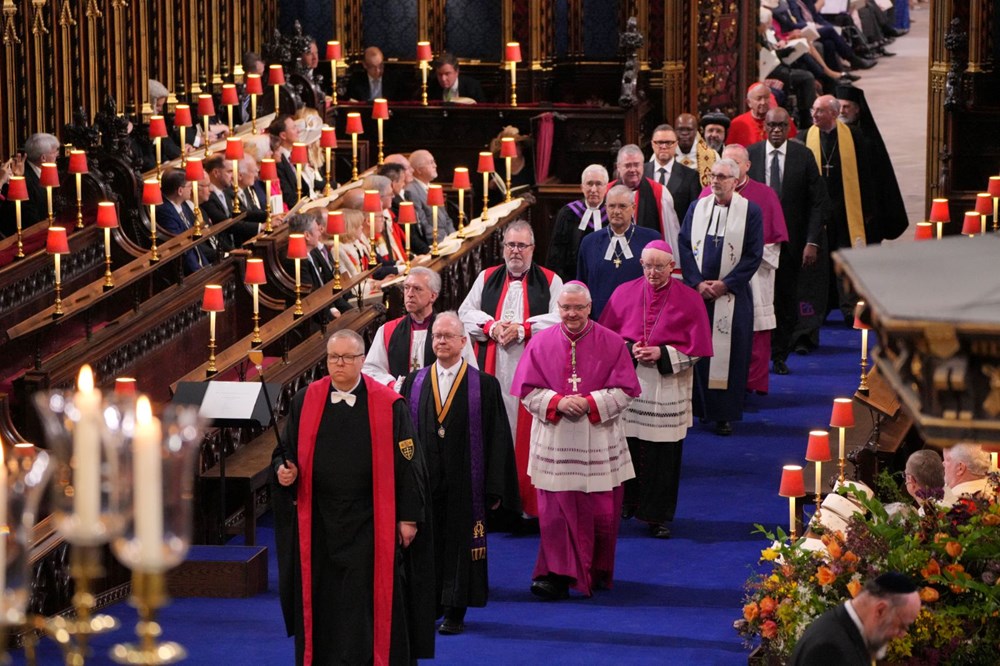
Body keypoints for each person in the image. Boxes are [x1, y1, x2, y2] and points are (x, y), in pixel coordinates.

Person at [272, 329, 436, 665]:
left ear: (362, 361)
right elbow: (283, 450)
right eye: (334, 357)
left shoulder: (389, 404)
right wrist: (283, 471)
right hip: (320, 520)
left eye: (348, 357)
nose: (340, 364)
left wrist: (408, 517)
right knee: (324, 599)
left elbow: (410, 463)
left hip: (371, 520)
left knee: (364, 600)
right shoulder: (306, 398)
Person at [510, 282, 640, 600]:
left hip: (597, 440)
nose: (572, 314)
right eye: (566, 308)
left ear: (590, 307)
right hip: (555, 440)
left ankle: (593, 571)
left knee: (601, 513)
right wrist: (556, 401)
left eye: (578, 308)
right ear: (558, 308)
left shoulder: (612, 343)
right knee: (555, 512)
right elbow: (526, 390)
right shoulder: (539, 344)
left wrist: (591, 402)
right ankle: (556, 574)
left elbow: (626, 390)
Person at [400, 312, 519, 636]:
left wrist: (494, 488)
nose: (440, 341)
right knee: (426, 546)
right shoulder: (414, 382)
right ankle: (429, 605)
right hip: (425, 484)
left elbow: (497, 438)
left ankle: (455, 609)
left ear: (463, 342)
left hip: (465, 483)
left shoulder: (484, 385)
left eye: (448, 336)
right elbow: (404, 438)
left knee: (458, 547)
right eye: (437, 336)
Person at [598, 241, 712, 539]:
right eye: (647, 266)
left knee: (663, 454)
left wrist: (663, 353)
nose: (652, 272)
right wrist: (627, 348)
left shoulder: (689, 298)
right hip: (632, 385)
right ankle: (628, 503)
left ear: (672, 265)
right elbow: (606, 338)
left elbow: (698, 349)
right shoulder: (624, 292)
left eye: (659, 266)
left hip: (667, 387)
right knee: (628, 446)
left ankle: (657, 516)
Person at [459, 221, 561, 518]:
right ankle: (495, 505)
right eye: (510, 245)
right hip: (493, 370)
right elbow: (464, 313)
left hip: (533, 374)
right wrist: (491, 326)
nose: (515, 251)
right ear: (503, 248)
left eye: (522, 246)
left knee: (527, 437)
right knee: (492, 431)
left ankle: (527, 507)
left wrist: (523, 329)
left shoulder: (551, 280)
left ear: (532, 249)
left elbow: (561, 319)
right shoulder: (486, 277)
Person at [678, 158, 764, 436]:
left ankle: (724, 414)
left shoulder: (750, 211)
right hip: (698, 295)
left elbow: (753, 255)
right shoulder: (697, 207)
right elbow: (684, 244)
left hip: (733, 296)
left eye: (722, 177)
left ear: (736, 182)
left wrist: (725, 285)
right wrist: (696, 282)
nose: (715, 181)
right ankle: (699, 408)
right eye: (712, 176)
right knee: (697, 352)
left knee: (731, 354)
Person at [807, 95, 903, 323]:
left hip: (846, 210)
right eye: (813, 110)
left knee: (846, 260)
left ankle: (849, 308)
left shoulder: (854, 136)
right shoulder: (806, 136)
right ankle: (819, 309)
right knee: (819, 262)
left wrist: (868, 208)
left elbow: (866, 175)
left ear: (833, 113)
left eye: (819, 111)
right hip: (819, 211)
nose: (814, 115)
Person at [748, 107, 829, 370]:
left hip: (792, 243)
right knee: (759, 301)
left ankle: (780, 355)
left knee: (785, 299)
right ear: (764, 127)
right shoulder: (751, 155)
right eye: (771, 125)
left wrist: (812, 241)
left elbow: (817, 203)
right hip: (756, 244)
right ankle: (757, 356)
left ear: (789, 127)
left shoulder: (802, 155)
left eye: (781, 126)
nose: (775, 131)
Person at [713, 144, 787, 394]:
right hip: (719, 276)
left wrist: (745, 259)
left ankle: (754, 383)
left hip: (755, 275)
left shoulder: (764, 195)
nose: (729, 168)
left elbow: (774, 242)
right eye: (725, 163)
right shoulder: (708, 194)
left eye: (735, 163)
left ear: (746, 166)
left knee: (756, 327)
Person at [364, 266, 476, 390]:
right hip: (400, 402)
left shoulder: (452, 329)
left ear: (433, 296)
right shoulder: (387, 330)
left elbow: (470, 371)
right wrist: (394, 385)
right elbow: (370, 370)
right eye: (406, 288)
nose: (410, 294)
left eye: (417, 289)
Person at [788, 573, 921, 665]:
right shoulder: (829, 651)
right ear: (880, 610)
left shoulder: (846, 631)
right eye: (902, 626)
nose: (902, 635)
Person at [576, 184, 661, 319]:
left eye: (622, 206)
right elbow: (582, 284)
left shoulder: (650, 240)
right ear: (606, 208)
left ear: (633, 208)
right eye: (612, 206)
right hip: (599, 318)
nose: (616, 211)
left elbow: (660, 283)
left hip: (639, 318)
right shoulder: (589, 242)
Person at [835, 85, 908, 241]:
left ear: (857, 110)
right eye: (839, 107)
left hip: (864, 206)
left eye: (846, 107)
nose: (842, 111)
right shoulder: (830, 135)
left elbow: (876, 179)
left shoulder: (868, 141)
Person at [609, 144, 680, 252]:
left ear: (643, 165)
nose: (633, 170)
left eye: (636, 165)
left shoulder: (660, 192)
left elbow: (671, 235)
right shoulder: (608, 191)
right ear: (618, 167)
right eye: (628, 165)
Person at [546, 164, 609, 281]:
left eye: (599, 184)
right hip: (573, 279)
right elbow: (556, 254)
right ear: (582, 187)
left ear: (606, 187)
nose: (593, 189)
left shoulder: (612, 215)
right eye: (589, 184)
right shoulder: (568, 213)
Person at [642, 124, 702, 226]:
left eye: (669, 143)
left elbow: (694, 213)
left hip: (677, 236)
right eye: (659, 142)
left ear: (676, 144)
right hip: (647, 236)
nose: (664, 146)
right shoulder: (641, 173)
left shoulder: (691, 176)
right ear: (652, 144)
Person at [156, 169, 209, 274]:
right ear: (180, 191)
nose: (192, 189)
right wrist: (199, 273)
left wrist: (207, 267)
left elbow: (194, 245)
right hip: (184, 272)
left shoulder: (183, 205)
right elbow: (182, 247)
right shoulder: (165, 212)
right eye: (189, 186)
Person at [406, 149, 456, 242]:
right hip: (436, 243)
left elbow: (447, 219)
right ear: (419, 170)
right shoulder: (411, 191)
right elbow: (424, 226)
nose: (435, 166)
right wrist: (444, 242)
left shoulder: (432, 187)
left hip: (448, 239)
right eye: (431, 163)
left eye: (434, 162)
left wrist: (454, 237)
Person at [727, 83, 798, 148]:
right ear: (749, 103)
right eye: (759, 99)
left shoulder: (782, 119)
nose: (763, 102)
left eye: (766, 98)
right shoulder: (737, 123)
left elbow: (794, 146)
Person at [675, 113, 719, 187]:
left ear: (696, 131)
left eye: (689, 130)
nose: (684, 133)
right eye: (680, 129)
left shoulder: (712, 156)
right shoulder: (664, 154)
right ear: (675, 131)